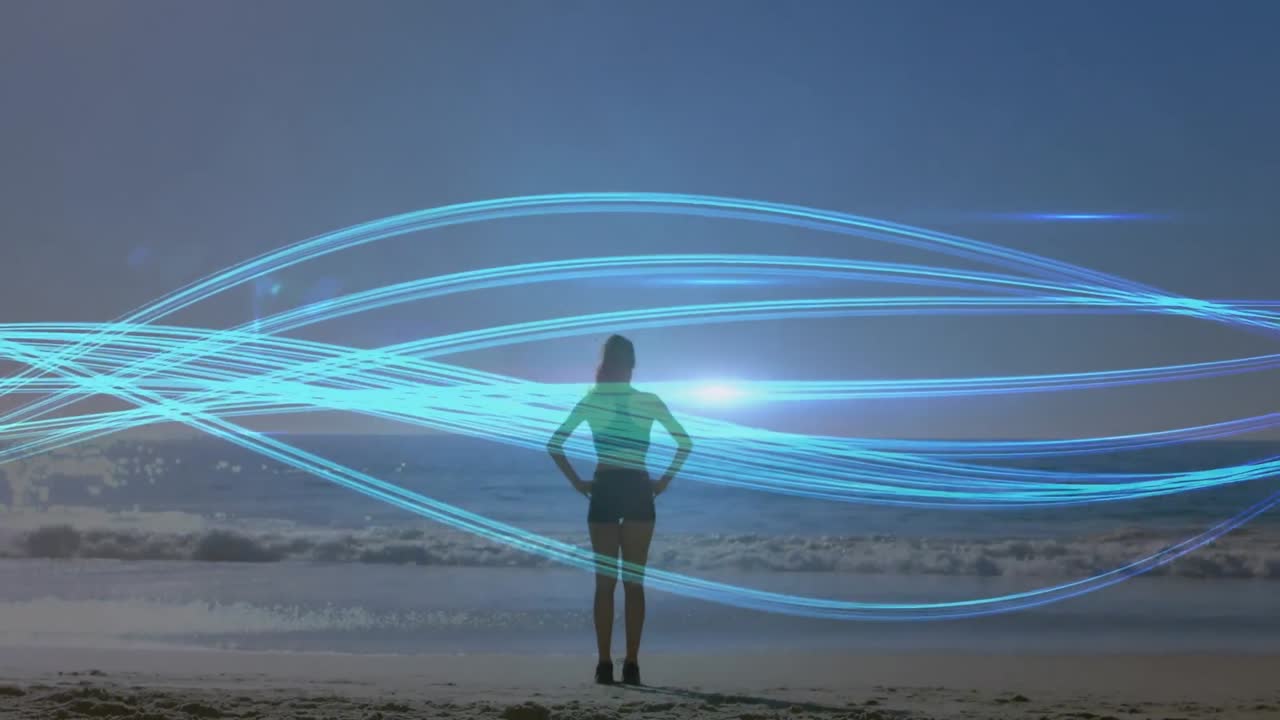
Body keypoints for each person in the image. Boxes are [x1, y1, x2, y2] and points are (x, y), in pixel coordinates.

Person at [546, 334, 693, 685]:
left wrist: (579, 483)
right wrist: (662, 483)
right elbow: (684, 444)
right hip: (638, 489)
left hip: (606, 489)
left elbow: (555, 445)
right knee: (634, 585)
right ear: (632, 365)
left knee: (605, 585)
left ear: (605, 364)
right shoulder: (648, 401)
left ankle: (603, 664)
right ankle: (632, 663)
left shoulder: (592, 401)